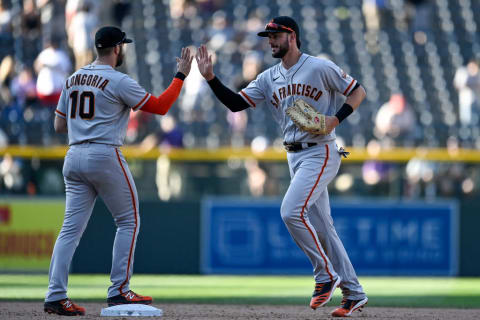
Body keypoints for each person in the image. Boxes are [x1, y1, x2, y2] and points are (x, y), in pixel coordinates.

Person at [195, 16, 368, 317]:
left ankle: (325, 274)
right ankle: (353, 293)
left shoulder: (319, 67)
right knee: (324, 229)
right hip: (294, 156)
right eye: (268, 37)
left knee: (290, 211)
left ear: (292, 36)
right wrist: (211, 78)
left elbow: (358, 91)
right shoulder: (267, 77)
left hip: (322, 150)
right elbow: (237, 104)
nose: (271, 41)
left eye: (276, 36)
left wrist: (335, 118)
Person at [44, 26, 193, 316]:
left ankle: (55, 295)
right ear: (116, 49)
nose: (123, 50)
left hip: (73, 155)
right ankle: (119, 290)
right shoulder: (118, 80)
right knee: (128, 221)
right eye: (123, 45)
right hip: (104, 153)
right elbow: (161, 107)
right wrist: (181, 76)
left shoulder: (73, 78)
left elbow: (59, 126)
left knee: (69, 231)